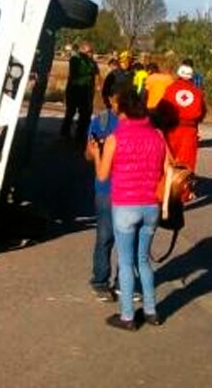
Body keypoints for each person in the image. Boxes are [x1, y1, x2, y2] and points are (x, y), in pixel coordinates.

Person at [87, 85, 166, 330]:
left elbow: (102, 176)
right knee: (143, 260)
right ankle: (152, 311)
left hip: (125, 205)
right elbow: (164, 169)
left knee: (126, 260)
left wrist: (96, 153)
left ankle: (127, 316)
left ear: (120, 109)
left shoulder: (114, 138)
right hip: (151, 206)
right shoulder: (157, 136)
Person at [85, 82, 120, 301]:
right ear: (108, 99)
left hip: (133, 190)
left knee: (130, 240)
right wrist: (94, 151)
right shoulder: (102, 121)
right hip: (107, 188)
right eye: (115, 100)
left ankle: (124, 282)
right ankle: (100, 280)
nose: (119, 105)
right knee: (106, 236)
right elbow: (87, 155)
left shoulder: (142, 122)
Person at [160, 64, 206, 183]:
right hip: (190, 131)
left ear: (178, 75)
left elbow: (162, 109)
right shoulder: (198, 92)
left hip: (171, 129)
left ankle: (164, 190)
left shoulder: (170, 89)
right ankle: (183, 194)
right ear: (191, 77)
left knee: (167, 161)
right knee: (186, 163)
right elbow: (202, 114)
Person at [61, 42, 99, 146]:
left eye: (92, 51)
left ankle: (80, 135)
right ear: (82, 51)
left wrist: (95, 88)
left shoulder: (92, 62)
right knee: (70, 112)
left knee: (85, 115)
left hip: (86, 91)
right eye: (89, 51)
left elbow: (96, 75)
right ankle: (65, 133)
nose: (91, 54)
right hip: (75, 89)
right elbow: (74, 72)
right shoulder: (75, 59)